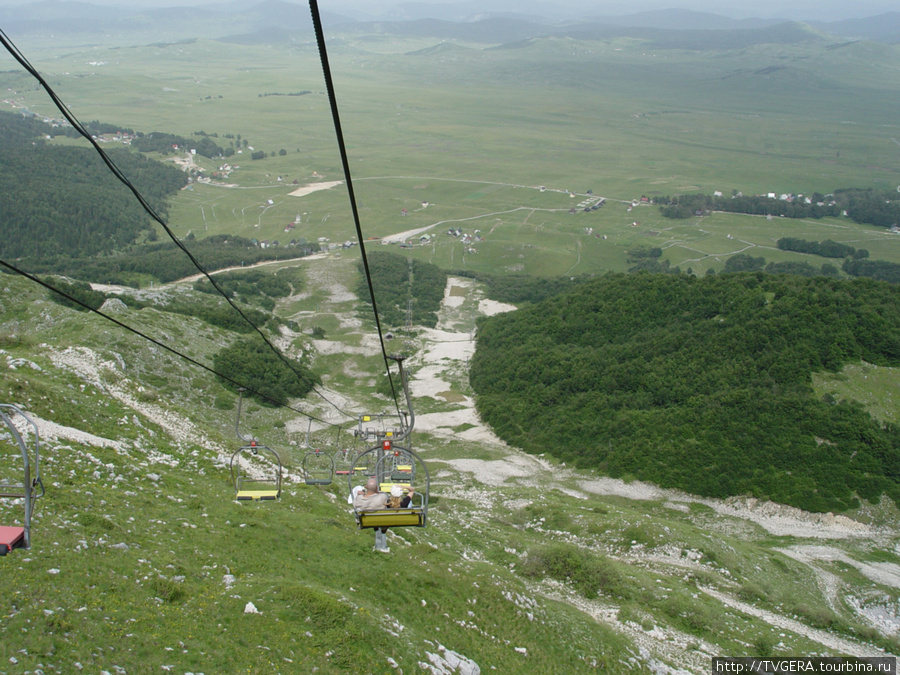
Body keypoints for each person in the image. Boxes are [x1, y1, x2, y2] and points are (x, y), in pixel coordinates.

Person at [354, 477, 390, 552]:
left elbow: (356, 504)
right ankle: (382, 545)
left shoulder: (359, 499)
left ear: (366, 487)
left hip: (366, 521)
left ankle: (379, 545)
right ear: (376, 488)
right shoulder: (382, 497)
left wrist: (361, 494)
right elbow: (383, 496)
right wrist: (376, 491)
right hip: (380, 520)